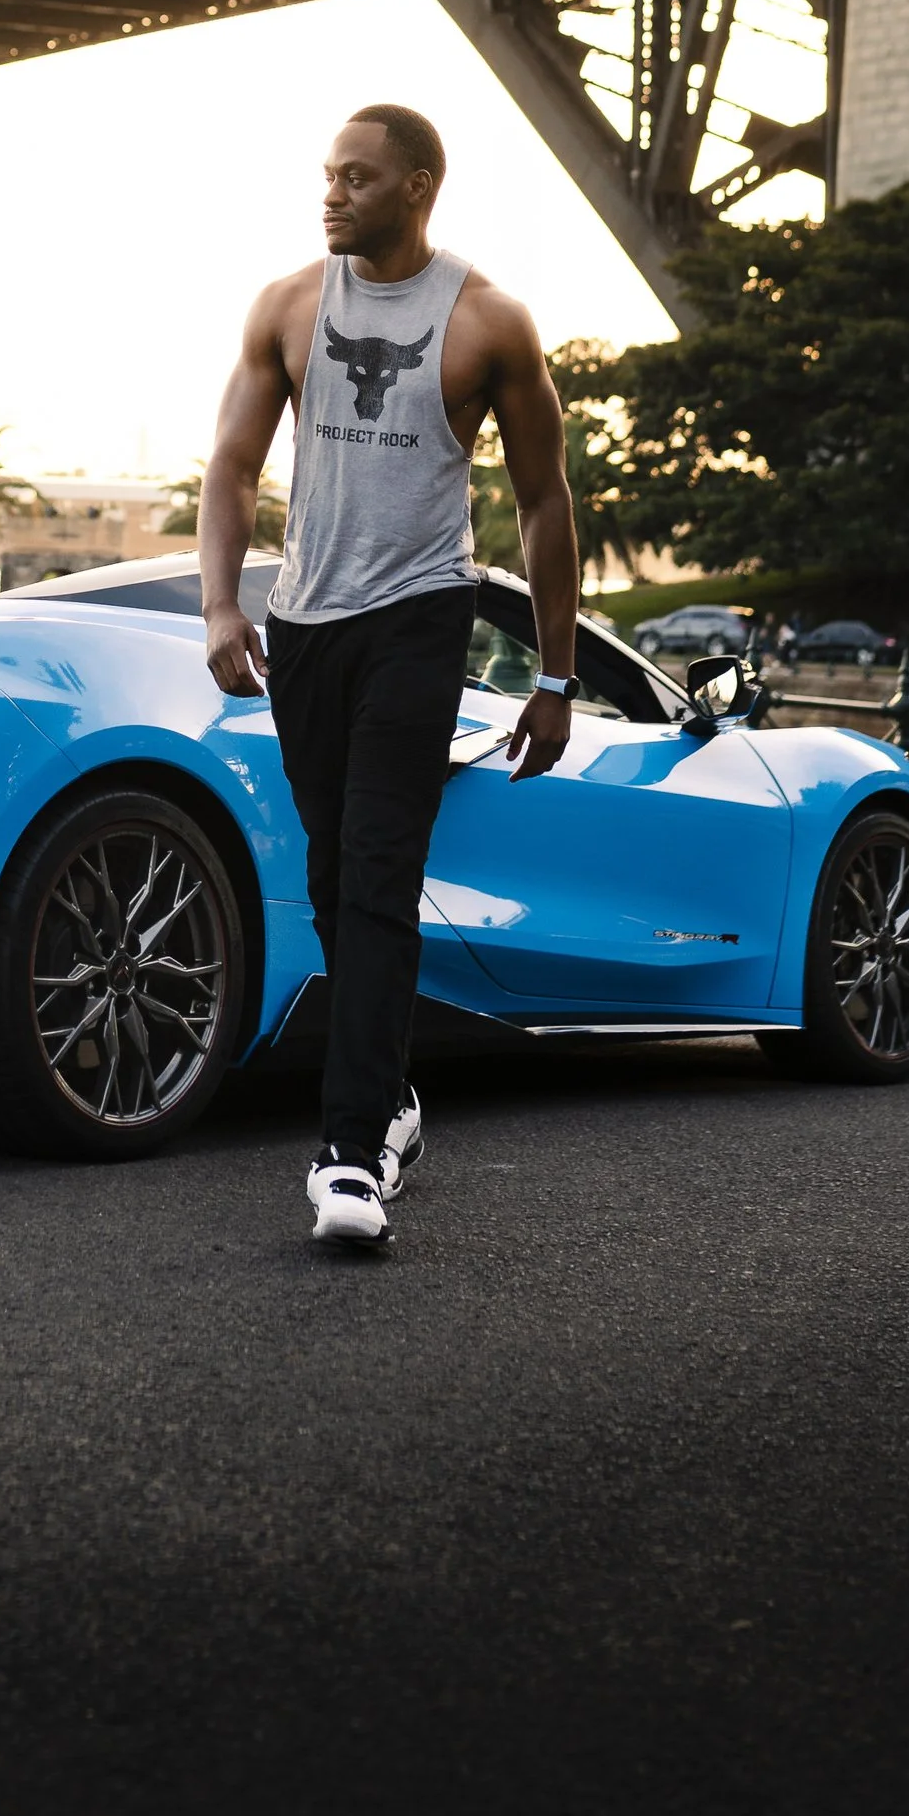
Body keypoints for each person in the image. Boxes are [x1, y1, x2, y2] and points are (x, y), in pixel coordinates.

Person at [198, 104, 579, 1249]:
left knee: (376, 874)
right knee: (332, 876)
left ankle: (352, 1152)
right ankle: (393, 1093)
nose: (332, 194)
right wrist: (220, 602)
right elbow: (231, 463)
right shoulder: (287, 307)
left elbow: (543, 501)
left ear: (417, 187)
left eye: (356, 178)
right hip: (305, 624)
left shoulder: (488, 322)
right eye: (327, 175)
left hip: (420, 618)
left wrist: (557, 677)